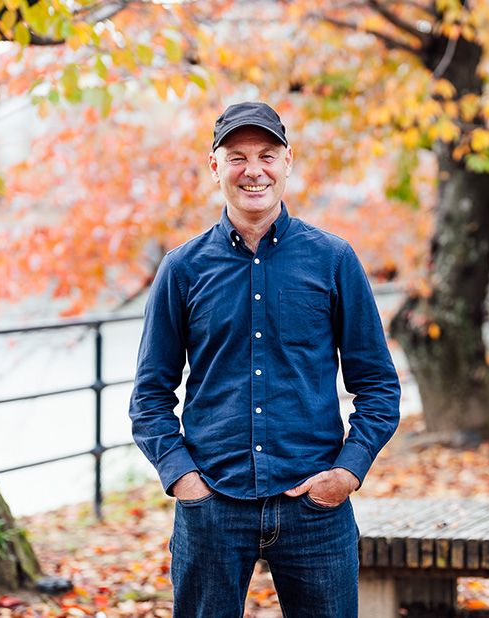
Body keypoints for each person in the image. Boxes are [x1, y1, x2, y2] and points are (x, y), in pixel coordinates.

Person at [129, 101, 401, 617]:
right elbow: (149, 397)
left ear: (288, 162)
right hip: (212, 507)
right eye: (237, 157)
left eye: (267, 155)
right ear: (215, 167)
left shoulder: (334, 260)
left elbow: (380, 387)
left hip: (315, 508)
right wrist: (185, 480)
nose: (253, 170)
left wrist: (347, 473)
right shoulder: (182, 269)